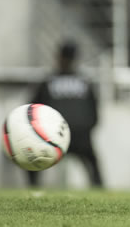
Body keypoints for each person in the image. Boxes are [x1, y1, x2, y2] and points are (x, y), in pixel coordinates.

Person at [29, 41, 103, 187]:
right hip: (81, 135)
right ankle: (99, 188)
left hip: (53, 136)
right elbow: (94, 108)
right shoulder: (84, 82)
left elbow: (34, 108)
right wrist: (89, 128)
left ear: (59, 56)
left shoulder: (49, 82)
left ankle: (33, 188)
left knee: (35, 161)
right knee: (93, 165)